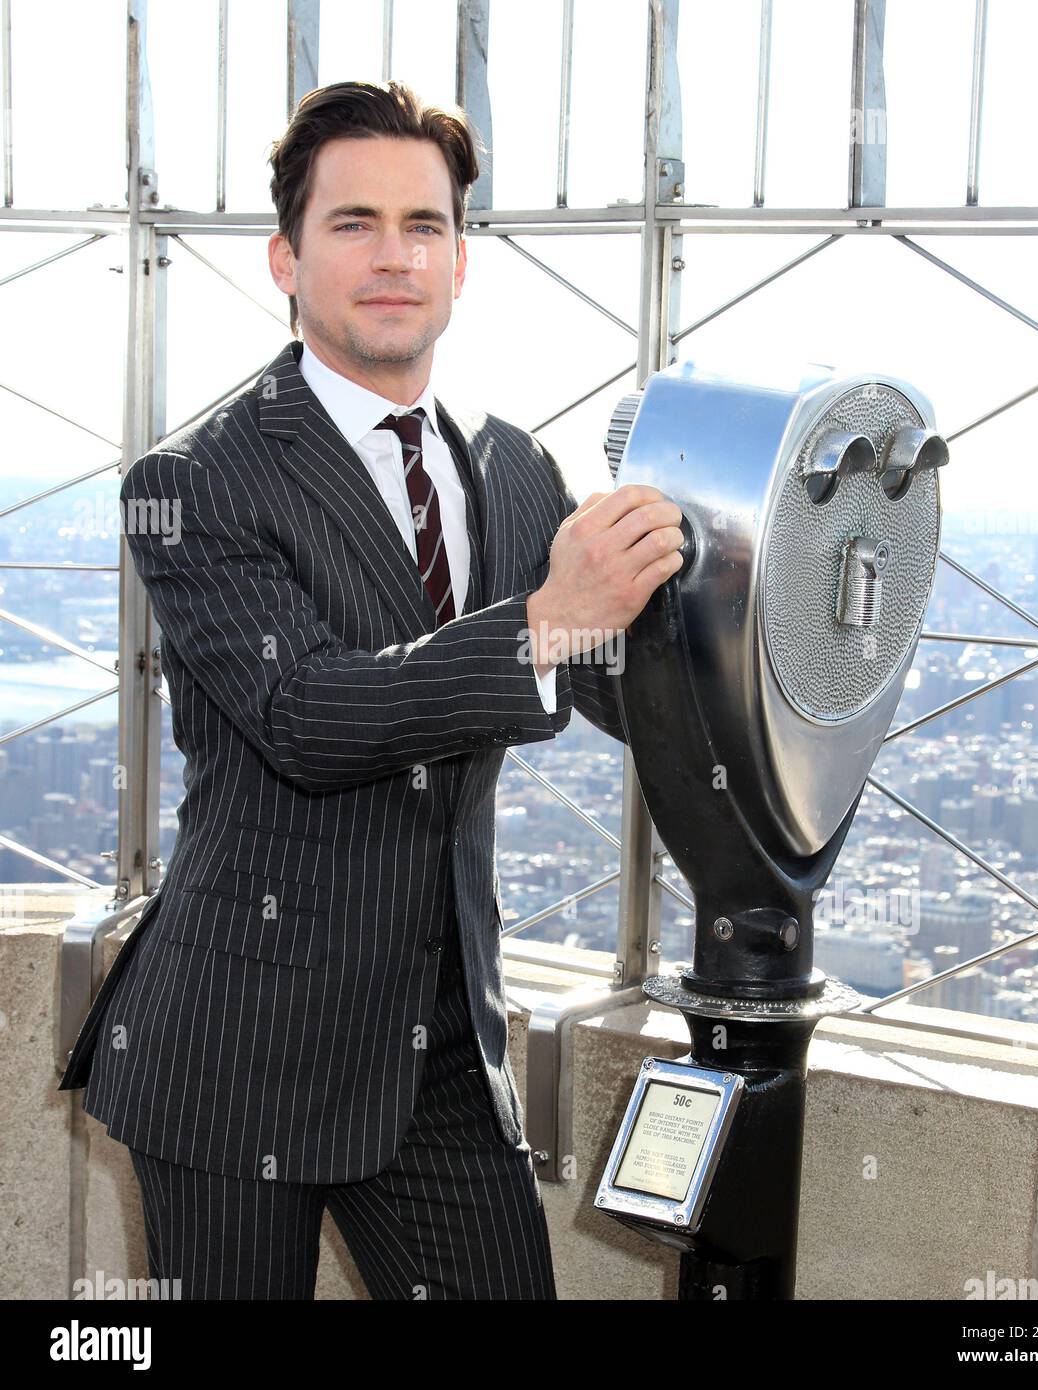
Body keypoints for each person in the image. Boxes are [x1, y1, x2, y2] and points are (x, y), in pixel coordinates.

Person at [58, 79, 684, 1300]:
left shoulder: (514, 466)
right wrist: (549, 615)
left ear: (460, 262)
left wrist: (760, 637)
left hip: (437, 1041)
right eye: (353, 224)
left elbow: (608, 676)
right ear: (285, 260)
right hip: (238, 1045)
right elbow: (308, 715)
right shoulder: (196, 480)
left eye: (423, 225)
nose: (394, 256)